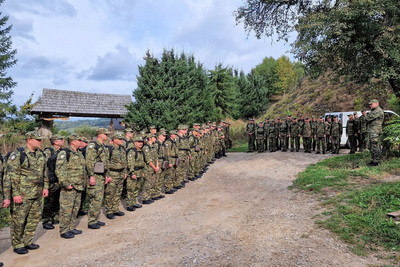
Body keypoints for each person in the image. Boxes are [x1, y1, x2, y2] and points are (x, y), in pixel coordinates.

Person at [6, 131, 48, 254]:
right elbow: (12, 176)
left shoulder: (41, 154)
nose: (40, 142)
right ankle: (18, 243)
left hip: (37, 193)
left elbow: (44, 172)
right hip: (23, 194)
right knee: (18, 220)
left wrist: (45, 187)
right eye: (38, 140)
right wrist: (15, 194)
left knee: (33, 219)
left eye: (41, 140)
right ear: (29, 140)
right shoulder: (18, 155)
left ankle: (27, 241)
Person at [56, 134, 87, 239]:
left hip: (79, 186)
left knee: (75, 208)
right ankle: (64, 230)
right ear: (73, 142)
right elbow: (60, 170)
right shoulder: (64, 153)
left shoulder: (79, 153)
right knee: (66, 209)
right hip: (69, 186)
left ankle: (71, 227)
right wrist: (65, 184)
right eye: (78, 140)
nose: (80, 142)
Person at [86, 128, 111, 229]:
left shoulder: (103, 146)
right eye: (105, 134)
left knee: (99, 199)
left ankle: (95, 219)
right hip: (95, 176)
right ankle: (92, 221)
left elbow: (105, 163)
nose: (107, 136)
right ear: (100, 135)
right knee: (95, 199)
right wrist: (91, 176)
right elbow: (89, 162)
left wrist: (106, 176)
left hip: (101, 176)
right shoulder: (93, 146)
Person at [42, 134, 64, 230]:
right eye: (61, 139)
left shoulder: (61, 151)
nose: (63, 140)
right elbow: (45, 165)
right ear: (55, 142)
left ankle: (55, 217)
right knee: (49, 201)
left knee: (57, 200)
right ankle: (47, 220)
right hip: (51, 179)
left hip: (58, 179)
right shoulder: (48, 151)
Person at [104, 132, 127, 219]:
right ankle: (109, 211)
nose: (121, 141)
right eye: (119, 139)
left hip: (121, 173)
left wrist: (125, 172)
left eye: (122, 139)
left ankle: (115, 209)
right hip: (112, 174)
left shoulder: (122, 149)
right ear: (114, 140)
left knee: (118, 192)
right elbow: (106, 162)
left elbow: (124, 161)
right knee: (110, 193)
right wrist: (107, 175)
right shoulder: (109, 149)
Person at [126, 135, 145, 211]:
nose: (141, 143)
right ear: (135, 143)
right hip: (134, 172)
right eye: (139, 142)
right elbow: (130, 163)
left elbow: (142, 163)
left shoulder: (140, 151)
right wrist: (132, 173)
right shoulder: (132, 151)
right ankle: (129, 205)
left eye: (142, 142)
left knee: (137, 188)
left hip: (139, 172)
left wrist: (142, 172)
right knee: (131, 189)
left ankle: (133, 203)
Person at [366, 99, 384, 166]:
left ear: (376, 103)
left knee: (375, 146)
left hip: (375, 131)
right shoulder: (373, 111)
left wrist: (367, 115)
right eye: (370, 104)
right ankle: (374, 160)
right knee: (371, 146)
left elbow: (368, 118)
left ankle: (377, 161)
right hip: (372, 131)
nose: (370, 105)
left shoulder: (378, 111)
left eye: (371, 104)